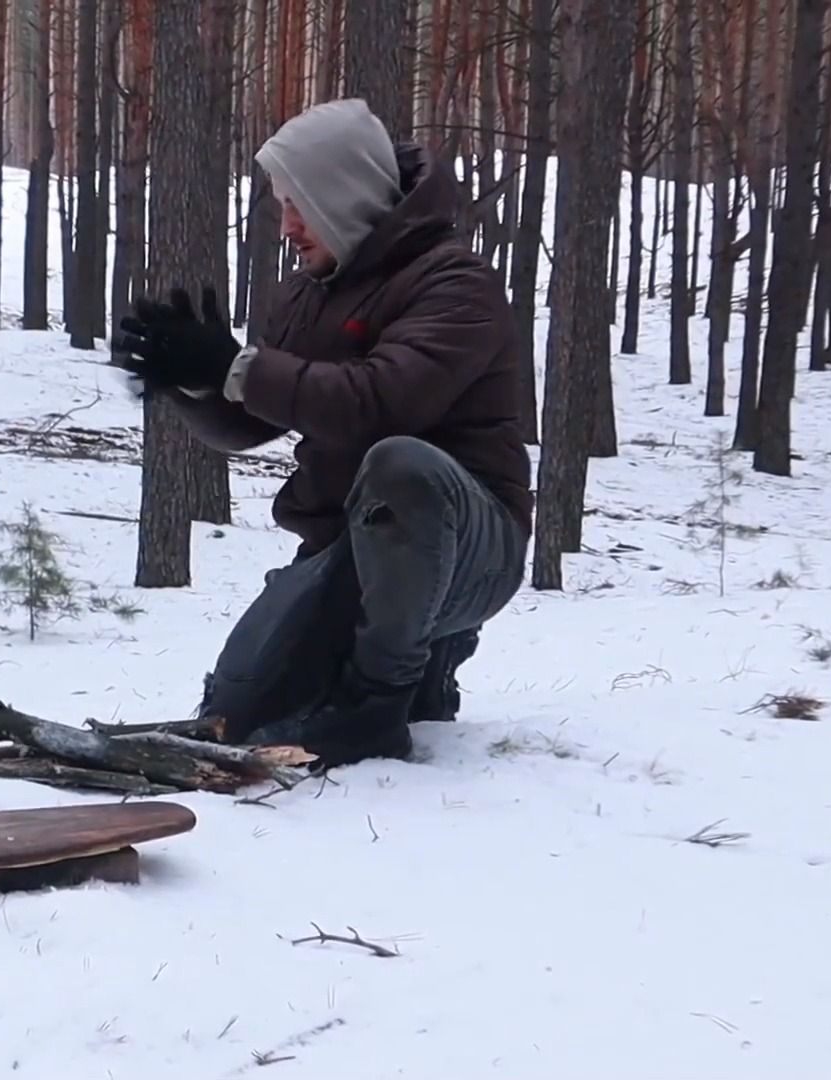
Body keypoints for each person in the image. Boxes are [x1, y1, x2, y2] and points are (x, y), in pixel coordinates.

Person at [111, 98, 532, 768]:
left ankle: (377, 706)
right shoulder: (310, 293)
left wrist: (236, 366)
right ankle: (410, 666)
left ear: (342, 193)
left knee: (402, 466)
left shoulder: (456, 284)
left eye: (298, 203)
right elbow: (253, 419)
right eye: (281, 204)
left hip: (470, 551)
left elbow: (382, 402)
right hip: (350, 549)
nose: (288, 226)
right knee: (240, 712)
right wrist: (192, 380)